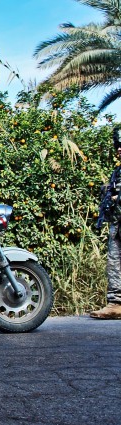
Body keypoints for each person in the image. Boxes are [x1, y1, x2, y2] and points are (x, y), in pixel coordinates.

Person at [92, 127, 121, 320]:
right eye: (117, 146)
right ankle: (116, 304)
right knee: (114, 263)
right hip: (117, 224)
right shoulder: (117, 172)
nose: (118, 150)